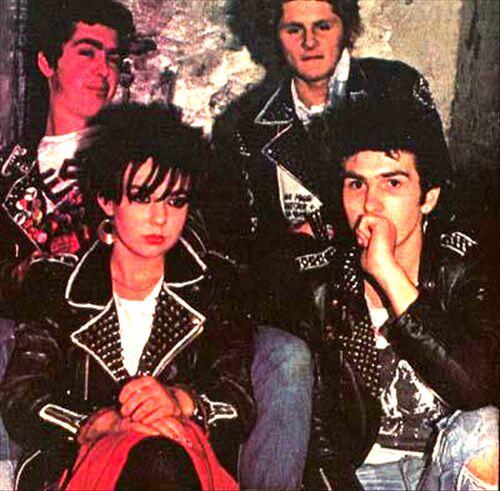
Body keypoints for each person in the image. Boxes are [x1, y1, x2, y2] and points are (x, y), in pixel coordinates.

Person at [207, 1, 450, 488]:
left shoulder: (395, 86)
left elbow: (438, 190)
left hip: (397, 284)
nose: (309, 41)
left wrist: (324, 226)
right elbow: (237, 246)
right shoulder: (244, 124)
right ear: (273, 34)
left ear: (347, 26)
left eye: (323, 25)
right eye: (293, 29)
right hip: (307, 307)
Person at [1, 103, 255, 490]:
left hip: (185, 458)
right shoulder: (57, 285)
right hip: (85, 462)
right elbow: (23, 397)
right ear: (107, 200)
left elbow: (238, 401)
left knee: (162, 457)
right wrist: (96, 423)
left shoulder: (214, 285)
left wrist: (181, 402)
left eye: (175, 201)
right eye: (142, 198)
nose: (160, 218)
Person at [304, 96, 499, 489]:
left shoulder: (463, 268)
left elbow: (477, 388)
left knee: (487, 432)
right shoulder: (322, 282)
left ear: (429, 197)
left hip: (447, 467)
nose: (370, 205)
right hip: (361, 476)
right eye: (356, 184)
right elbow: (318, 444)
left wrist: (388, 273)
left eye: (392, 183)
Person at [0, 1, 135, 482]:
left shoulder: (136, 165)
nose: (103, 71)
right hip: (25, 359)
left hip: (106, 361)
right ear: (46, 62)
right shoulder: (9, 173)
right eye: (87, 52)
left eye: (112, 58)